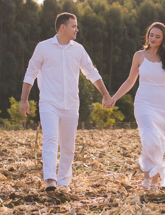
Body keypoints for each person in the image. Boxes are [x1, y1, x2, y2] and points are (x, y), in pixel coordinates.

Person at [21, 12, 113, 192]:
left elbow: (91, 72)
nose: (76, 29)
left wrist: (105, 94)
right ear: (62, 27)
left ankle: (63, 182)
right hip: (49, 103)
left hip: (71, 104)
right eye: (73, 26)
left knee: (68, 145)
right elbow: (31, 72)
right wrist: (24, 100)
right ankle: (50, 179)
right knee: (50, 138)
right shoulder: (43, 47)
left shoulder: (78, 49)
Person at [110, 22, 165, 192]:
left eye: (158, 36)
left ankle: (151, 179)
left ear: (163, 39)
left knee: (158, 141)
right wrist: (114, 98)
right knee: (150, 138)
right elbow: (130, 81)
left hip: (163, 105)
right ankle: (151, 175)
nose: (153, 38)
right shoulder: (139, 56)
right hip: (144, 103)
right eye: (151, 35)